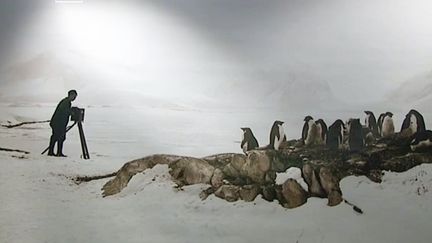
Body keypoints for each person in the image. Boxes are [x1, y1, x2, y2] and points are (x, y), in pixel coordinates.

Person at [47, 90, 78, 157]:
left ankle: (53, 152)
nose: (75, 98)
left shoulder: (67, 102)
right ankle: (56, 152)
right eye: (74, 96)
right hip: (58, 123)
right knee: (59, 137)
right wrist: (71, 112)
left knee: (57, 137)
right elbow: (64, 111)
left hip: (59, 123)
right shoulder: (66, 102)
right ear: (71, 95)